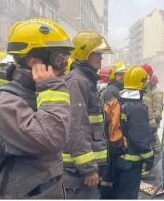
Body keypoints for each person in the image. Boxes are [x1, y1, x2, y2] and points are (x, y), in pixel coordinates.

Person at [0, 18, 73, 199]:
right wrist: (52, 88)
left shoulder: (37, 95)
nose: (64, 68)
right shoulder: (3, 104)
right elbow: (53, 138)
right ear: (35, 62)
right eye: (60, 60)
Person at [62, 30, 107, 199]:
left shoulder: (85, 80)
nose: (101, 58)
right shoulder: (77, 81)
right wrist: (88, 168)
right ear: (84, 52)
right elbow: (76, 126)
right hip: (77, 174)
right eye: (97, 53)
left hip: (79, 171)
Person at [105, 65, 154, 199]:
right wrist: (150, 158)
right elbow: (140, 138)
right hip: (131, 166)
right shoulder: (137, 107)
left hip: (117, 159)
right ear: (142, 85)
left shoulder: (119, 101)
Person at [141, 64, 160, 181]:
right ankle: (144, 171)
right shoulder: (146, 88)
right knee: (146, 147)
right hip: (145, 123)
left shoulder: (143, 86)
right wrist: (153, 124)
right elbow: (148, 108)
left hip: (142, 122)